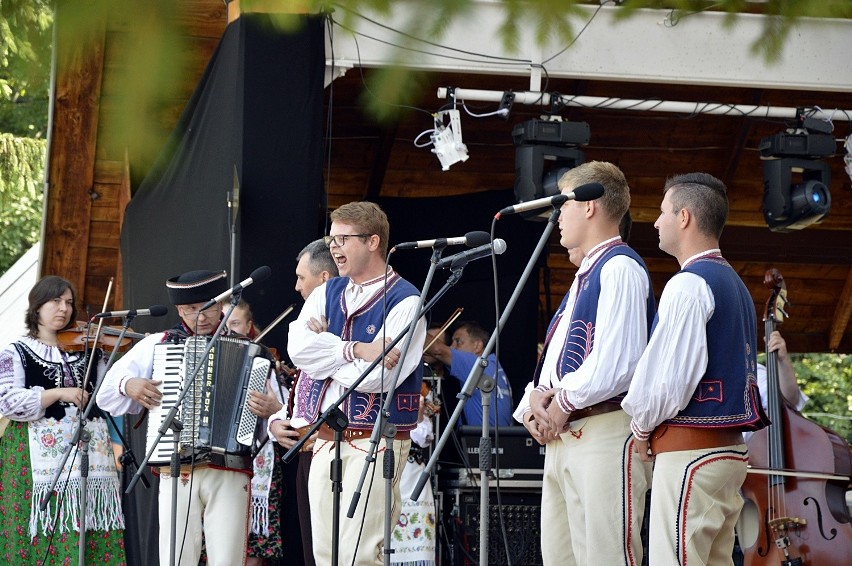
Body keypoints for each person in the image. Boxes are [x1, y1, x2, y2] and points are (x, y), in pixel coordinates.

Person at [622, 172, 770, 566]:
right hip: (728, 454)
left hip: (691, 454)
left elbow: (671, 380)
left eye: (663, 211)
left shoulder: (689, 284)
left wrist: (640, 428)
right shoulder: (734, 284)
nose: (656, 221)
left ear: (684, 217)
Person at [513, 161, 655, 566]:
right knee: (561, 557)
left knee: (605, 556)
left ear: (589, 204)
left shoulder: (620, 267)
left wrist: (560, 403)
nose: (558, 216)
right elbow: (556, 361)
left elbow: (619, 362)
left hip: (603, 431)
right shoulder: (587, 275)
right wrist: (531, 409)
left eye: (564, 204)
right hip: (569, 432)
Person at [284, 201, 427, 565]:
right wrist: (356, 349)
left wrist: (326, 354)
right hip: (326, 441)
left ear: (373, 241)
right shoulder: (326, 292)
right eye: (331, 239)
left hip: (376, 440)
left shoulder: (406, 300)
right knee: (324, 553)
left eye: (343, 239)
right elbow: (298, 349)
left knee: (358, 554)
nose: (334, 248)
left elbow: (378, 378)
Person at [97, 269, 254, 566]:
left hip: (231, 468)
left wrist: (269, 410)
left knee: (228, 560)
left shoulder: (249, 350)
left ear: (222, 304)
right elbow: (105, 393)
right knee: (176, 558)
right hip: (176, 467)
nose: (202, 315)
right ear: (180, 309)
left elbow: (275, 410)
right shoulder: (158, 344)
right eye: (192, 309)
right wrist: (128, 384)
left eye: (209, 306)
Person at [0, 275, 126, 564]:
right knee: (42, 526)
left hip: (90, 455)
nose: (64, 308)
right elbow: (7, 402)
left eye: (69, 302)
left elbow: (107, 392)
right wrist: (58, 393)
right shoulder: (15, 351)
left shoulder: (90, 349)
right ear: (37, 306)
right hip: (34, 455)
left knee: (90, 524)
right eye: (56, 301)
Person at [268, 238, 339, 566]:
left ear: (324, 278)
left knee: (336, 546)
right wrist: (277, 423)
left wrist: (330, 339)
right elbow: (304, 396)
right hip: (307, 451)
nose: (296, 286)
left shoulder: (344, 320)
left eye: (301, 277)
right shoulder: (305, 326)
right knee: (314, 549)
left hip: (337, 449)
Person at [228, 299, 289, 566]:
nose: (230, 329)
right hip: (223, 461)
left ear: (249, 326)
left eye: (236, 324)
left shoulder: (264, 359)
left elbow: (286, 410)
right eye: (225, 324)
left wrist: (274, 409)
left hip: (259, 455)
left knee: (256, 541)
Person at [424, 320, 512, 426]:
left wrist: (415, 328)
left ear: (477, 346)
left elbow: (437, 350)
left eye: (458, 341)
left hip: (481, 439)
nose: (452, 347)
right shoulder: (494, 366)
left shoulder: (476, 364)